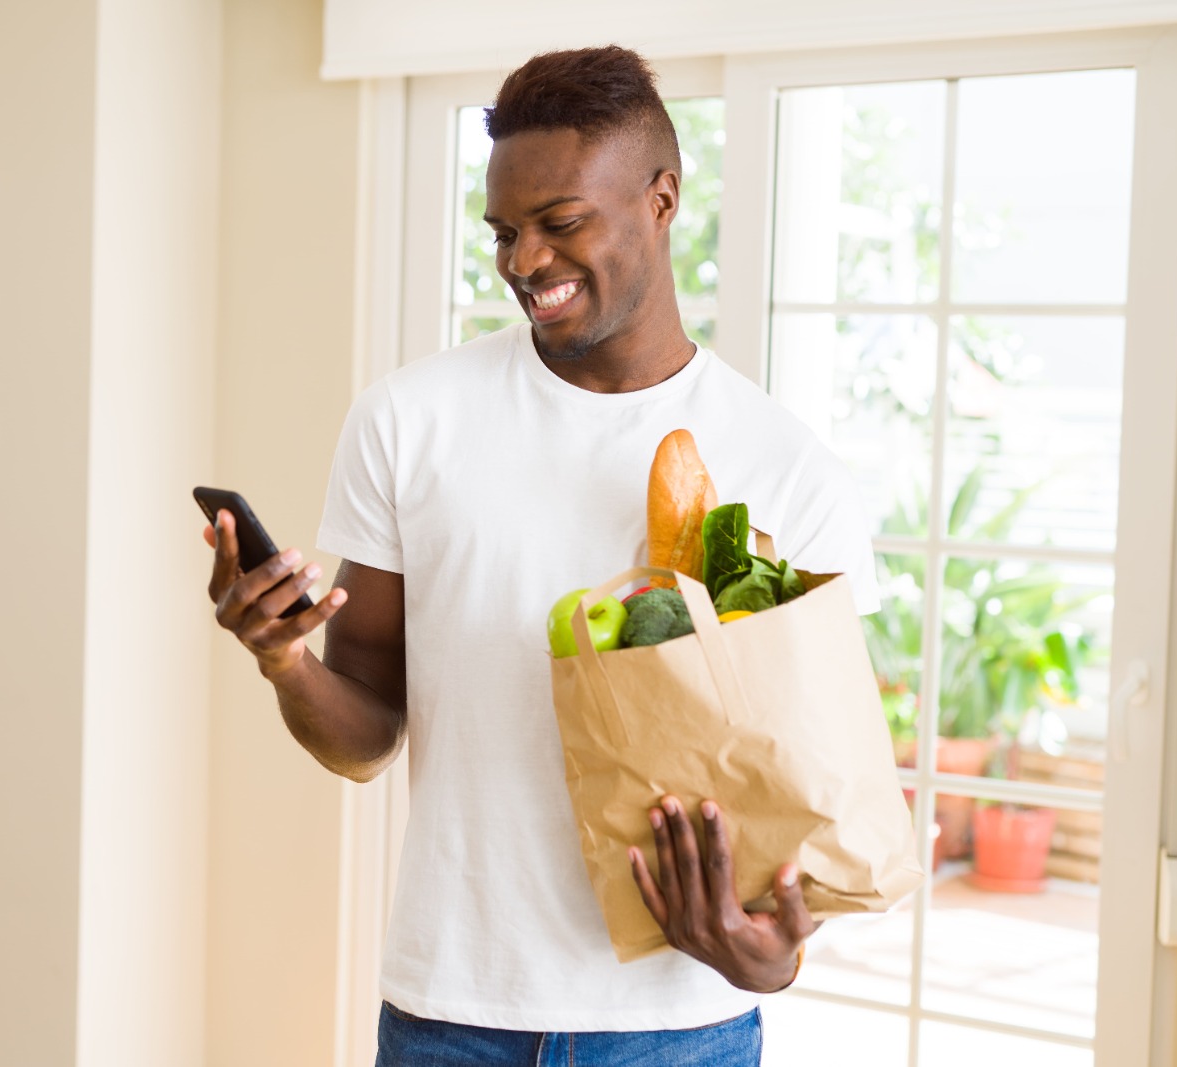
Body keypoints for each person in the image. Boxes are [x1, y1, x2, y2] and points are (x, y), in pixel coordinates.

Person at [203, 44, 879, 1067]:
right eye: (504, 232)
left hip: (678, 1027)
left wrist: (771, 957)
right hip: (447, 1013)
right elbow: (362, 736)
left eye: (560, 223)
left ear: (661, 199)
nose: (523, 262)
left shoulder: (790, 470)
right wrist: (283, 659)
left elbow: (813, 798)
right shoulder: (408, 421)